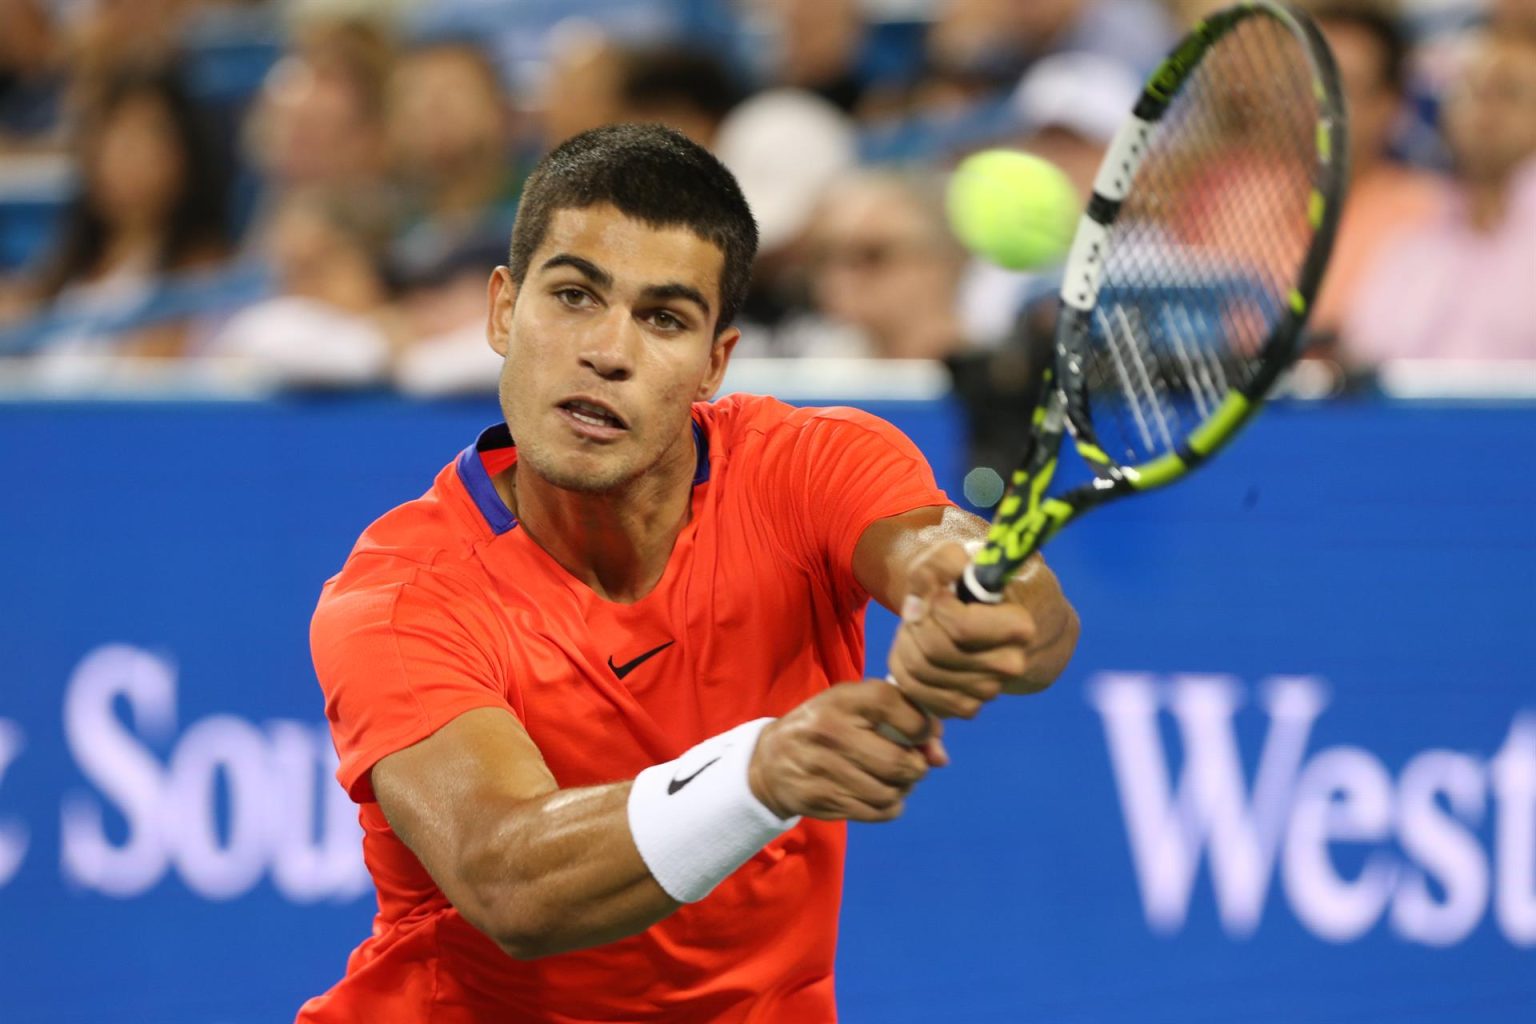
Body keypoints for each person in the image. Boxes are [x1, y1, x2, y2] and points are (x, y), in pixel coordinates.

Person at [299, 124, 1079, 1022]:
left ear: (716, 361)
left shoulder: (807, 466)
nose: (610, 351)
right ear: (503, 312)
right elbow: (509, 879)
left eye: (663, 318)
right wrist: (762, 772)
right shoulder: (401, 595)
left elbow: (974, 578)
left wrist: (974, 596)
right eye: (574, 296)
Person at [1342, 29, 1536, 363]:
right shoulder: (1412, 243)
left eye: (1509, 94)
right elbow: (1363, 358)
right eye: (1469, 92)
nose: (1484, 110)